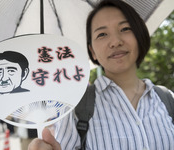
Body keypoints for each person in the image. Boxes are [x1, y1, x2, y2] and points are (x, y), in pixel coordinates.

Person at [28, 0, 174, 150]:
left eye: (125, 29)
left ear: (139, 35)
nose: (115, 42)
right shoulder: (77, 108)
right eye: (102, 34)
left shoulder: (167, 100)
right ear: (92, 51)